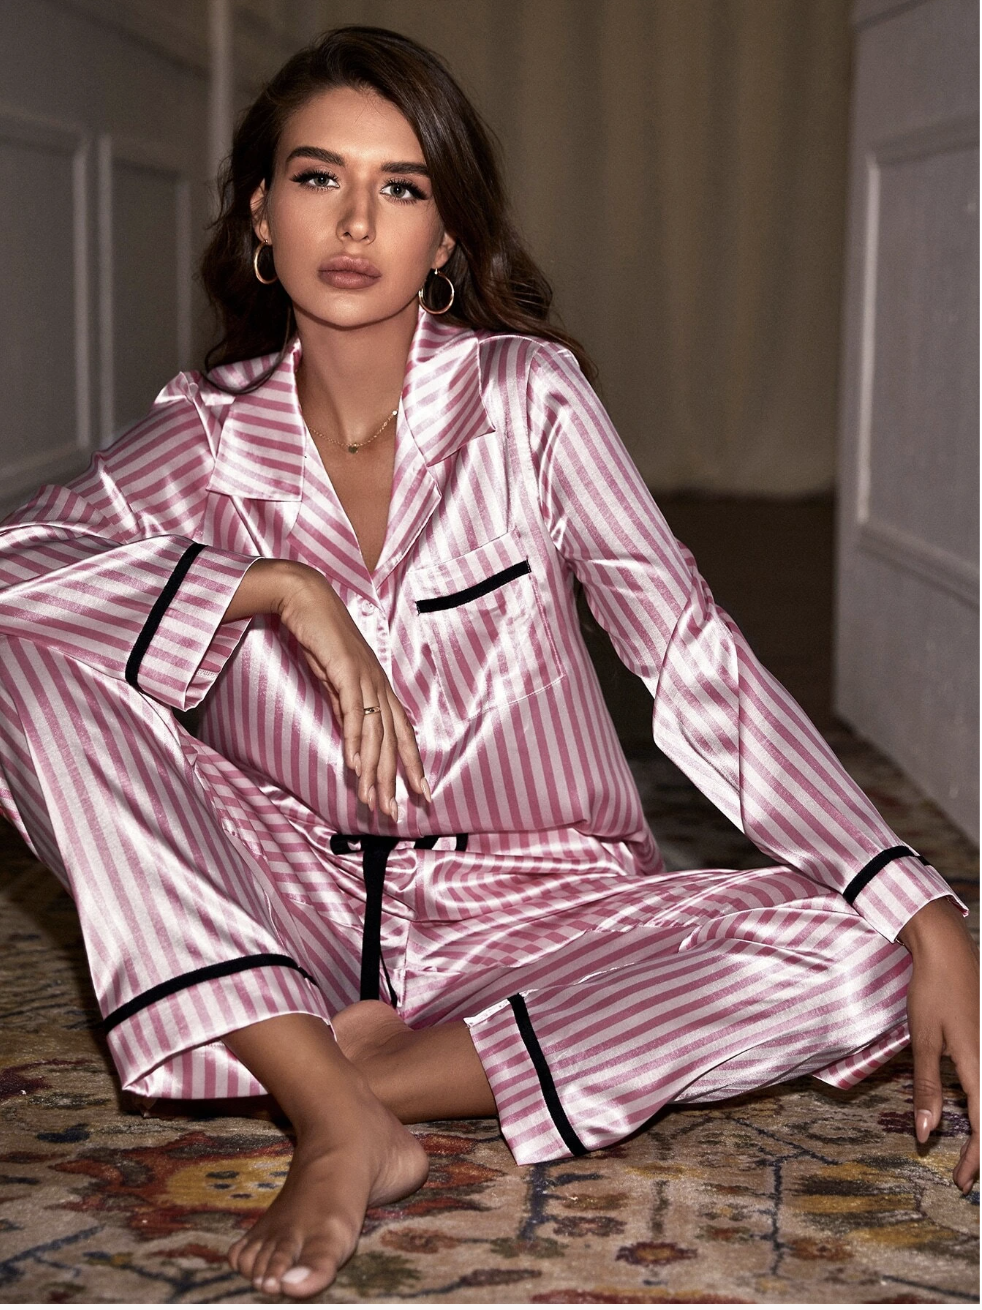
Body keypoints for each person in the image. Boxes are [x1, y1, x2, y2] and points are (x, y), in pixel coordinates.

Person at [0, 24, 976, 1300]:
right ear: (260, 214)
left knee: (870, 948)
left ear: (447, 237)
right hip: (277, 890)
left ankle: (357, 1081)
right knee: (31, 652)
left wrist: (916, 899)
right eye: (317, 176)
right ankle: (330, 1104)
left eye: (400, 187)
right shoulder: (199, 439)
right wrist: (271, 587)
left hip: (533, 902)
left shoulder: (528, 400)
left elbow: (689, 651)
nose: (356, 221)